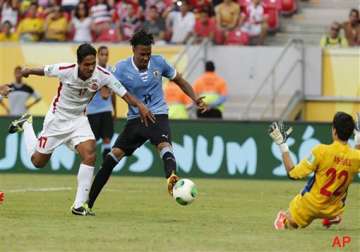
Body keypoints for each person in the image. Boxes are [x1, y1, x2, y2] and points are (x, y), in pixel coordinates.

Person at [7, 43, 154, 216]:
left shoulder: (102, 75)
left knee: (90, 153)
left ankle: (79, 205)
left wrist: (140, 105)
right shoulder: (65, 69)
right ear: (78, 63)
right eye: (87, 64)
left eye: (93, 63)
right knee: (37, 162)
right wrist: (28, 71)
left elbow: (125, 94)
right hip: (57, 119)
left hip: (79, 120)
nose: (91, 68)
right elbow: (45, 70)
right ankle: (27, 124)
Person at [87, 29, 207, 213]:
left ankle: (171, 178)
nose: (146, 58)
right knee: (112, 157)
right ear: (133, 50)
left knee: (164, 145)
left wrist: (195, 98)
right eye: (142, 54)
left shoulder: (159, 62)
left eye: (148, 54)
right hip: (135, 119)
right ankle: (88, 203)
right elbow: (103, 85)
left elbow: (180, 80)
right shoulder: (120, 68)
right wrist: (102, 91)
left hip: (157, 115)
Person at [269, 112, 360, 230]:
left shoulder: (321, 151)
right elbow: (355, 156)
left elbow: (293, 173)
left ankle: (285, 218)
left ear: (334, 131)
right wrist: (358, 138)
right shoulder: (356, 157)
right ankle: (333, 217)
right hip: (334, 209)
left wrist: (282, 145)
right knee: (345, 174)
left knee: (289, 224)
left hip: (310, 206)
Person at [87, 46, 116, 162]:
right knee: (91, 140)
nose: (104, 57)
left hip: (106, 110)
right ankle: (88, 163)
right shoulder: (93, 71)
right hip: (92, 111)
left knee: (107, 139)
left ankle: (105, 167)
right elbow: (103, 93)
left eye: (106, 54)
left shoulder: (111, 71)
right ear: (98, 56)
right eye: (102, 54)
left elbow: (112, 93)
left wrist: (115, 110)